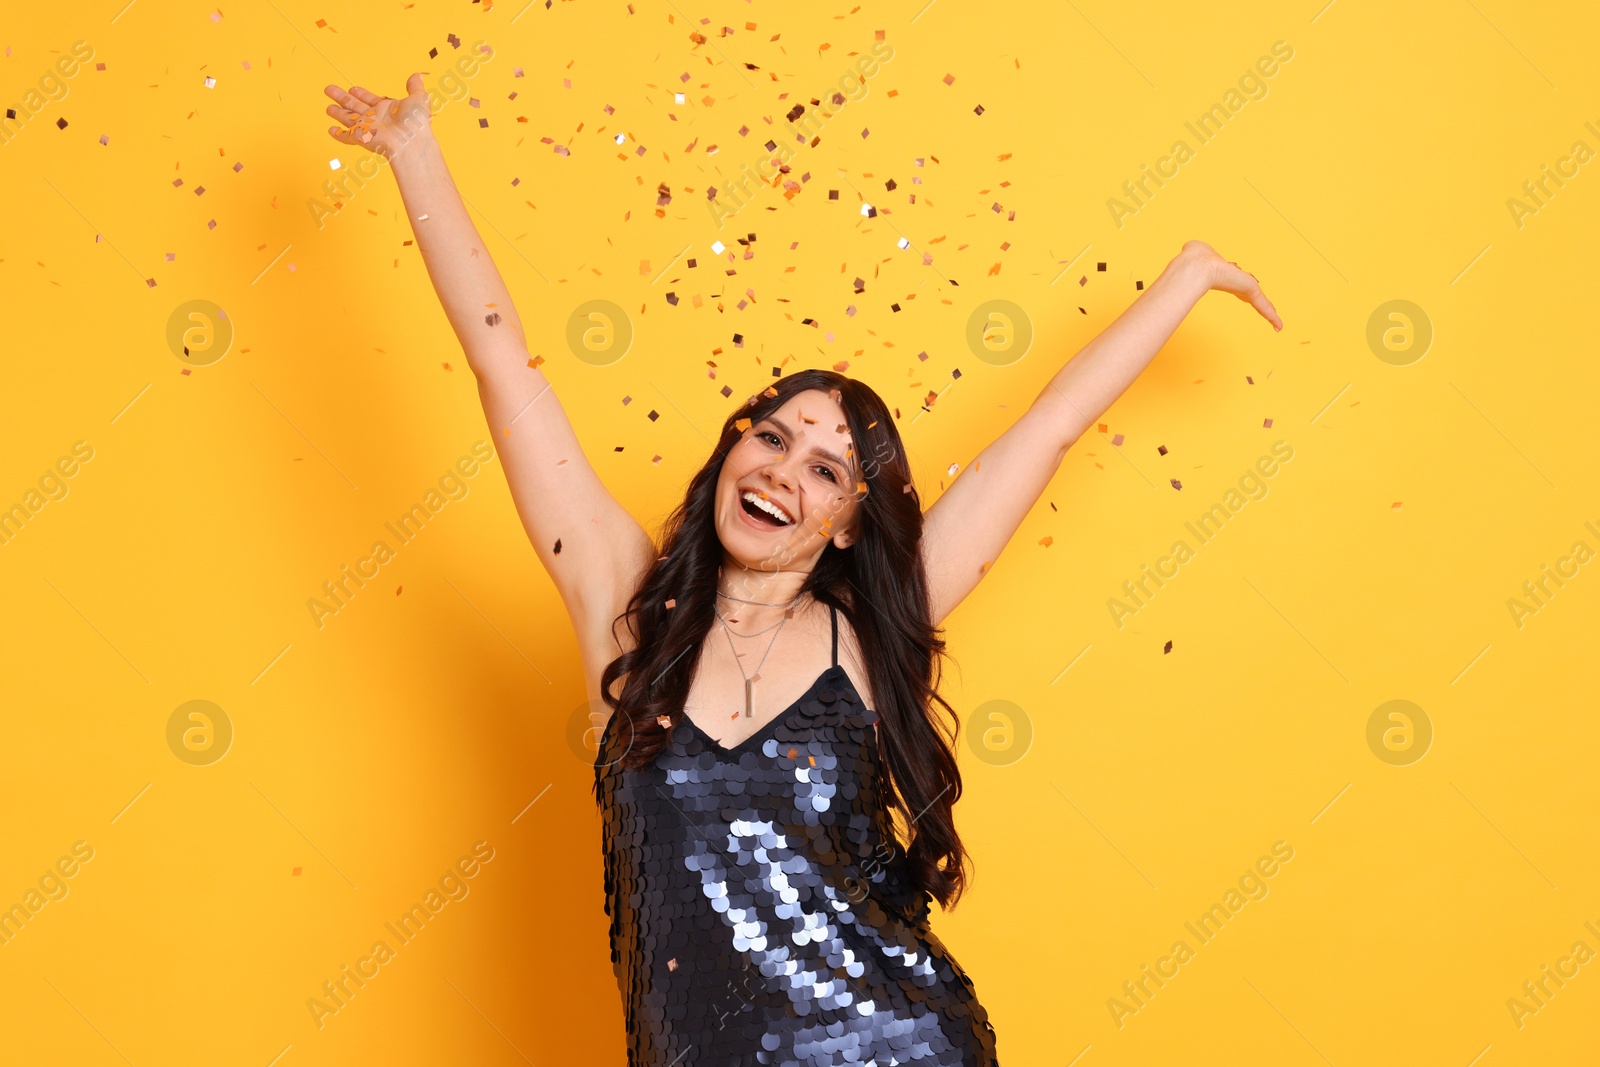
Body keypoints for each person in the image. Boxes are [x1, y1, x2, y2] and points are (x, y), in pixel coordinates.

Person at [323, 72, 1281, 1066]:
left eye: (823, 469)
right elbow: (500, 359)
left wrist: (1187, 277)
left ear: (844, 525)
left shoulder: (867, 630)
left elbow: (1041, 433)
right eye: (770, 437)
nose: (781, 471)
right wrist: (414, 153)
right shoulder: (620, 605)